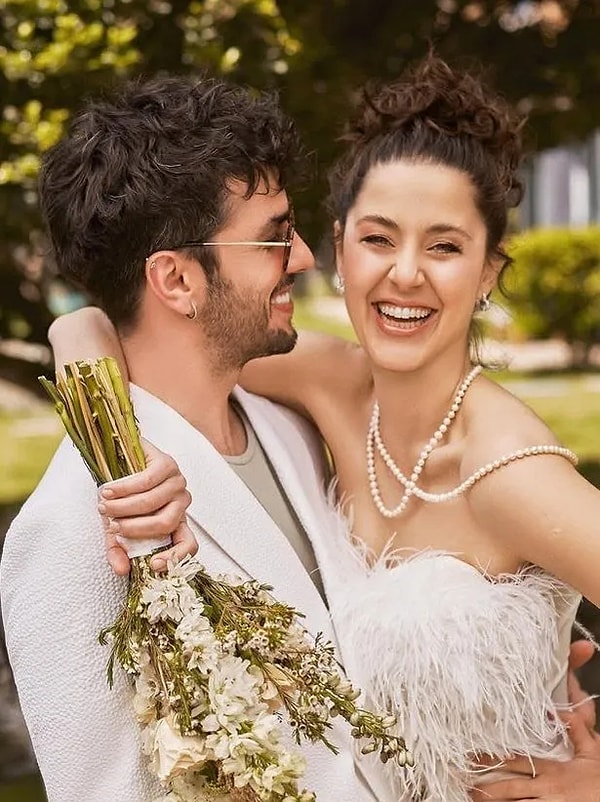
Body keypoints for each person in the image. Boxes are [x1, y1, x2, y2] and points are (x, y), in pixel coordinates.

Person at [53, 55, 600, 802]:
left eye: (445, 247)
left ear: (488, 273)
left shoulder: (509, 470)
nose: (405, 274)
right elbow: (137, 327)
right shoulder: (323, 381)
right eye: (379, 238)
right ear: (339, 247)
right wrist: (113, 418)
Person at [0, 75, 378, 802]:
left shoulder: (291, 430)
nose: (303, 257)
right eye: (274, 236)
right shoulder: (71, 526)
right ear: (176, 279)